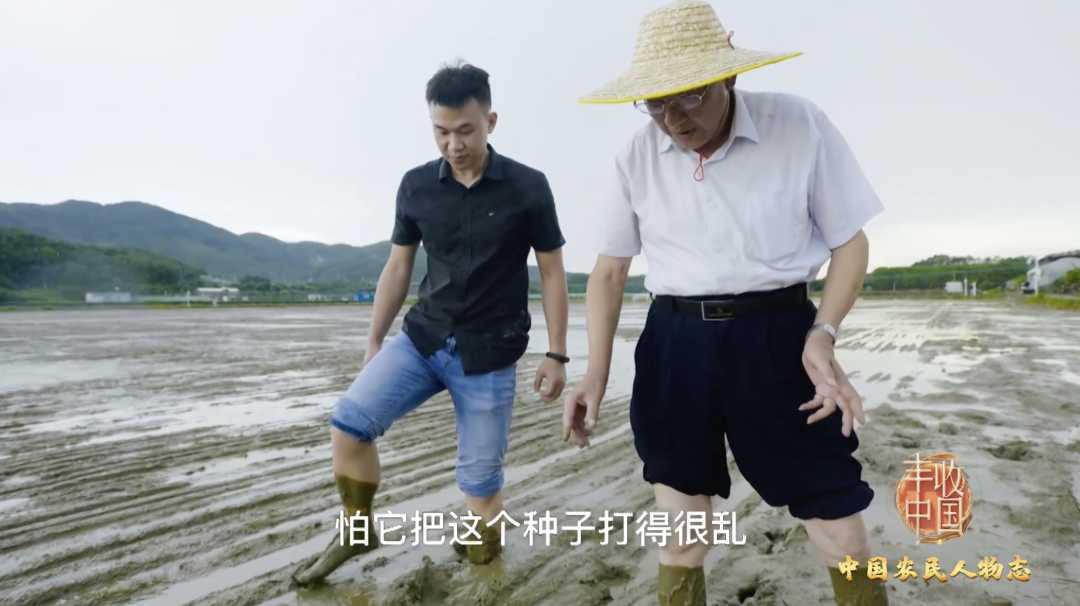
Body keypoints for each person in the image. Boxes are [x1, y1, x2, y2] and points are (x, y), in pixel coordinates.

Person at [564, 2, 887, 605]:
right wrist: (594, 375)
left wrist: (823, 332)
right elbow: (609, 273)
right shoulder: (636, 155)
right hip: (675, 345)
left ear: (729, 75)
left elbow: (851, 242)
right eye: (655, 103)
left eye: (689, 96)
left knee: (835, 515)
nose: (673, 119)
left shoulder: (798, 125)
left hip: (779, 337)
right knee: (681, 531)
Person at [292, 62, 570, 585]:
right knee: (349, 424)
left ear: (490, 121)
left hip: (489, 352)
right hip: (423, 339)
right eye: (441, 132)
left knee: (481, 490)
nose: (453, 144)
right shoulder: (417, 186)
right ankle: (358, 529)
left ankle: (484, 555)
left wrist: (556, 354)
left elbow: (552, 272)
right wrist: (375, 340)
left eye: (465, 131)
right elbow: (398, 266)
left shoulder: (528, 187)